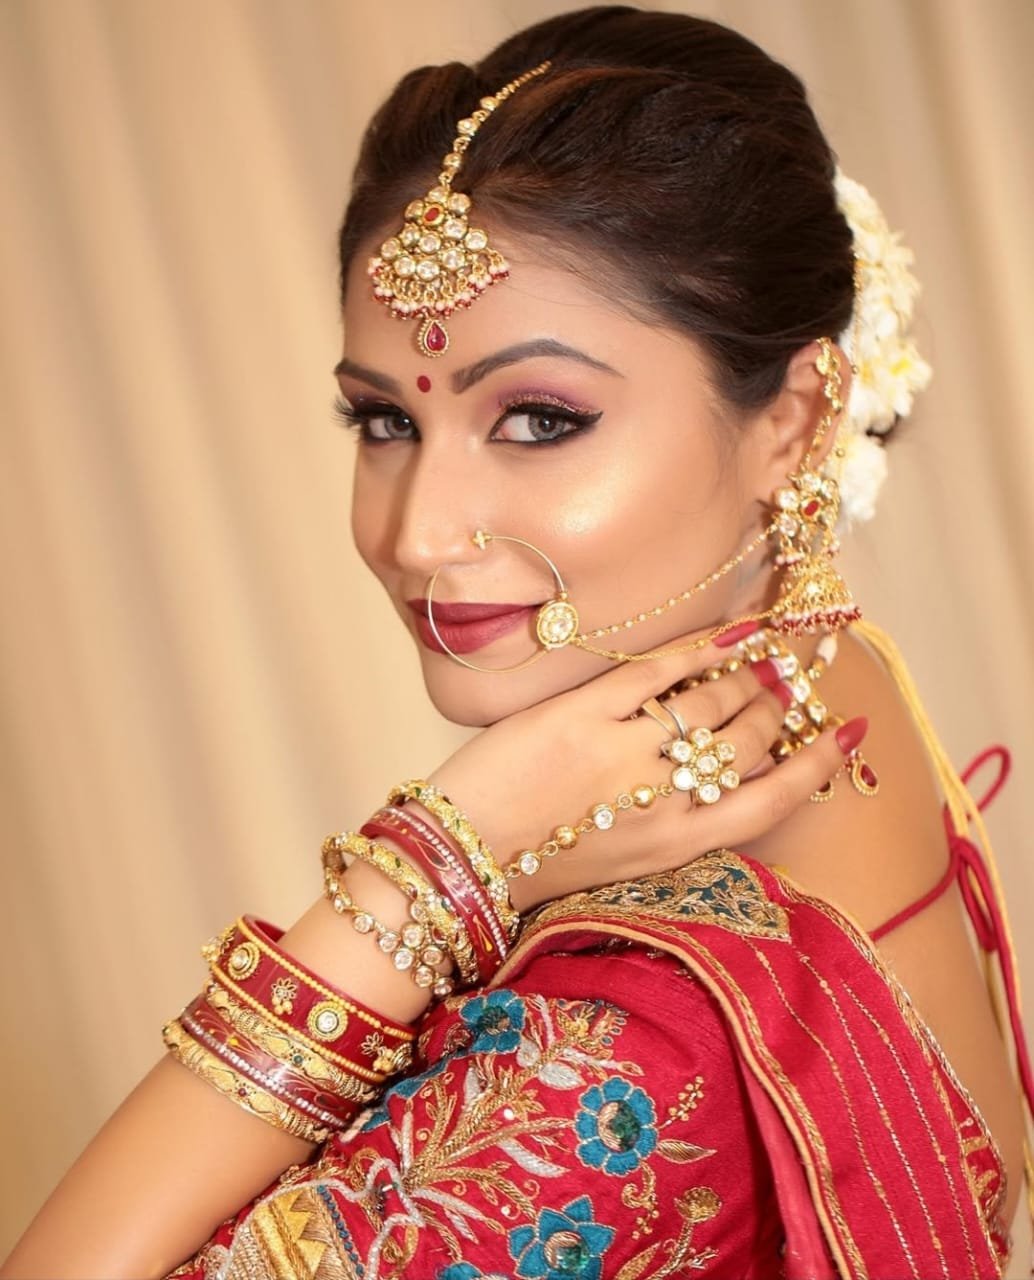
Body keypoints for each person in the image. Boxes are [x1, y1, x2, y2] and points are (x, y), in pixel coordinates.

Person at [3, 7, 1030, 1278]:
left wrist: (424, 872)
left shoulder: (620, 1062)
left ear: (792, 421)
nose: (418, 534)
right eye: (383, 422)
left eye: (539, 418)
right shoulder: (838, 690)